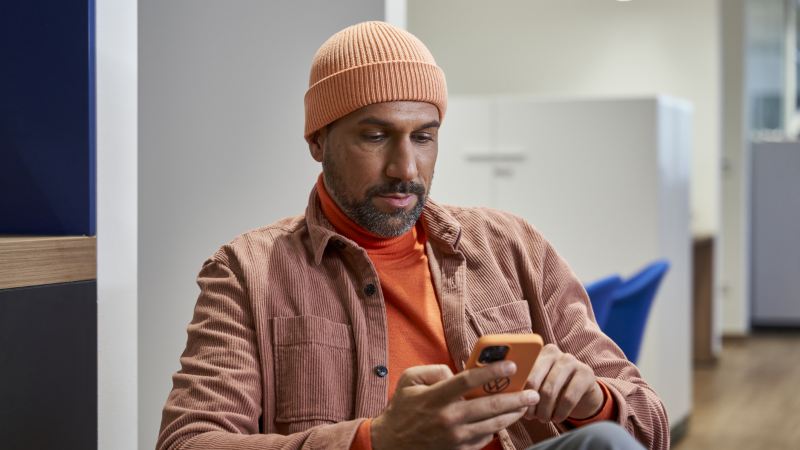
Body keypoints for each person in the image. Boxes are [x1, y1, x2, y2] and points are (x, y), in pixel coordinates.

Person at [156, 21, 669, 450]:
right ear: (318, 140)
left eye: (423, 137)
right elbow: (190, 442)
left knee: (605, 442)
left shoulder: (513, 247)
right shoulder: (246, 271)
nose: (406, 168)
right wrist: (374, 440)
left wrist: (593, 401)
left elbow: (651, 424)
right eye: (375, 136)